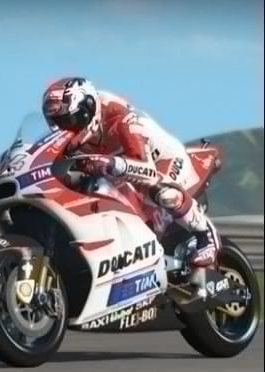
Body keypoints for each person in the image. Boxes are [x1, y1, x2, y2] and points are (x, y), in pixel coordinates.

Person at [42, 77, 219, 298]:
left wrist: (112, 164)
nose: (65, 128)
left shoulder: (122, 121)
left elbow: (146, 170)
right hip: (124, 176)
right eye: (58, 123)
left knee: (163, 192)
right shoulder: (71, 140)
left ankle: (205, 236)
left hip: (164, 162)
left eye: (69, 120)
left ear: (87, 110)